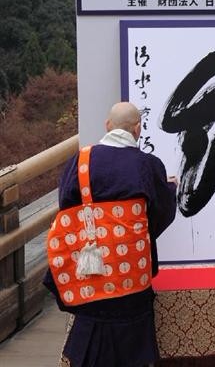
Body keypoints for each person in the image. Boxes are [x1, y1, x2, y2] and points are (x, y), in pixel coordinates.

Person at [43, 102, 178, 367]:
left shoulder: (80, 161)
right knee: (133, 344)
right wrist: (167, 190)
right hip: (131, 274)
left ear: (107, 126)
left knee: (92, 330)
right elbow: (161, 213)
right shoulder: (147, 164)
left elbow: (67, 208)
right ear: (137, 129)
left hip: (91, 270)